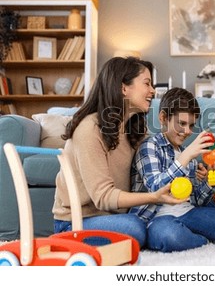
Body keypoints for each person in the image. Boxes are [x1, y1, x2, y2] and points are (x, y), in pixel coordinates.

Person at [53, 57, 185, 248]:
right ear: (124, 88)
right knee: (135, 228)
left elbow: (160, 159)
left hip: (117, 218)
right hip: (77, 222)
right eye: (147, 83)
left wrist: (190, 165)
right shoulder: (89, 129)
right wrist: (154, 197)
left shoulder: (134, 129)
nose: (152, 91)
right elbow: (103, 197)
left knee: (152, 223)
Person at [129, 87, 215, 252]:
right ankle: (202, 241)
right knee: (169, 236)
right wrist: (185, 157)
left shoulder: (186, 153)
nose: (187, 131)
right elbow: (155, 188)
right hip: (158, 218)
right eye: (181, 123)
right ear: (163, 118)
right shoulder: (150, 146)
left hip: (189, 214)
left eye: (191, 125)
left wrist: (209, 178)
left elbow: (198, 200)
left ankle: (189, 235)